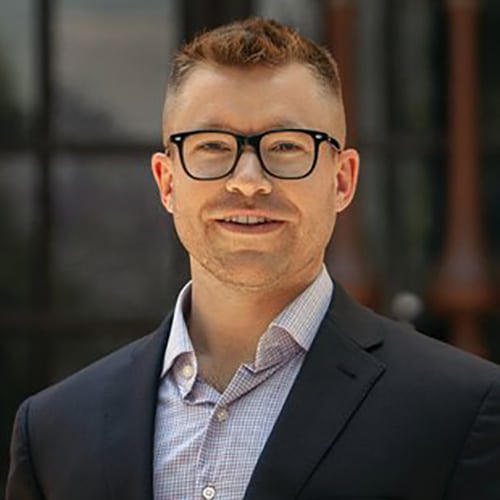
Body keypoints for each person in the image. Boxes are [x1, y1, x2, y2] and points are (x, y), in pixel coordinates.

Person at [6, 17, 500, 500]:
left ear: (343, 180)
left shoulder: (460, 411)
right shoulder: (53, 432)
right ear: (167, 182)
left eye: (286, 146)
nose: (247, 180)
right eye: (212, 146)